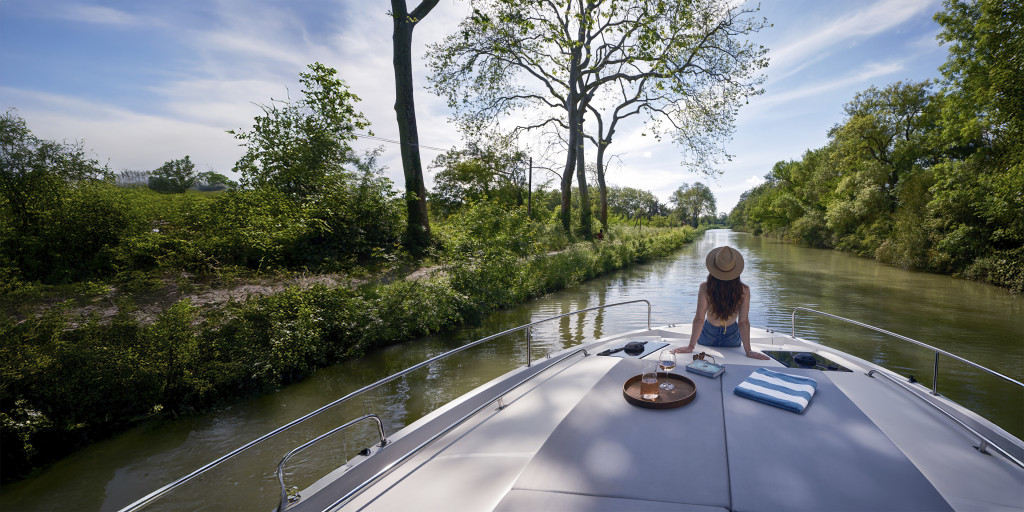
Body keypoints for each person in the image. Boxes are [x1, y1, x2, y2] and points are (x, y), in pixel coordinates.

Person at [672, 246, 770, 360]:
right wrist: (748, 351)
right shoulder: (744, 290)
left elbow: (699, 319)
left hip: (707, 336)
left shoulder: (705, 287)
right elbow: (743, 322)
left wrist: (690, 346)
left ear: (713, 268)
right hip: (732, 338)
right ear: (736, 270)